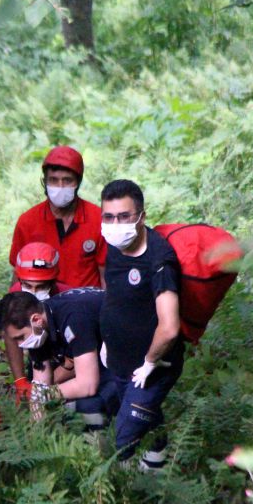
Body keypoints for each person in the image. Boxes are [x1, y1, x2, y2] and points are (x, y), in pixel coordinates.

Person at [98, 180, 183, 471]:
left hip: (151, 368)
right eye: (108, 217)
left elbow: (170, 326)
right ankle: (156, 469)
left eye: (124, 216)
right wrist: (107, 342)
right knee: (144, 418)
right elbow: (114, 294)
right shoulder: (114, 246)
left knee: (121, 440)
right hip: (119, 360)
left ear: (141, 217)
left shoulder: (160, 259)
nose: (115, 224)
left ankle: (123, 493)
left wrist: (149, 362)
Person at [0, 288, 110, 431]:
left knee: (86, 406)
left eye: (20, 337)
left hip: (134, 356)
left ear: (36, 319)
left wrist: (46, 394)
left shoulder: (74, 317)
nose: (20, 345)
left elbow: (87, 385)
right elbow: (40, 384)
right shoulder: (38, 328)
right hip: (102, 353)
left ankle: (98, 448)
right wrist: (36, 433)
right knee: (55, 402)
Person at [9, 146, 106, 291]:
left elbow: (106, 276)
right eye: (53, 180)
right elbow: (18, 276)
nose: (60, 186)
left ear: (78, 183)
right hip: (43, 306)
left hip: (86, 306)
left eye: (67, 180)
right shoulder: (28, 222)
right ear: (45, 182)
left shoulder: (98, 219)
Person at [3, 242, 69, 401]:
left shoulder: (68, 300)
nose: (33, 293)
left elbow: (79, 359)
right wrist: (21, 382)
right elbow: (11, 337)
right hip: (39, 358)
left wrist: (44, 386)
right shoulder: (16, 297)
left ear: (53, 281)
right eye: (27, 285)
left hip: (72, 362)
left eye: (40, 287)